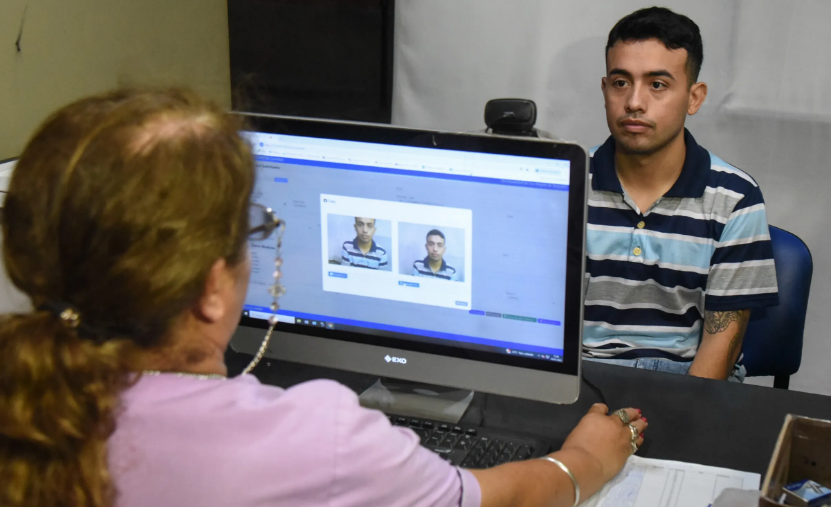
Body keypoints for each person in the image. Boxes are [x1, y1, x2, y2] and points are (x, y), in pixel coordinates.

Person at [0, 88, 647, 507]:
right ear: (208, 289)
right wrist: (582, 459)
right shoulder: (315, 437)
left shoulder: (22, 402)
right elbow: (493, 499)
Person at [583, 7, 779, 382]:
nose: (635, 102)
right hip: (584, 376)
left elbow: (718, 356)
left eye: (657, 84)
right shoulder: (568, 183)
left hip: (687, 382)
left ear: (694, 97)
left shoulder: (735, 199)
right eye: (621, 82)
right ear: (606, 89)